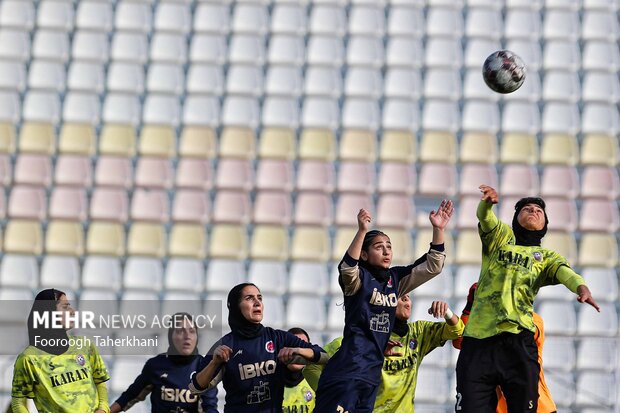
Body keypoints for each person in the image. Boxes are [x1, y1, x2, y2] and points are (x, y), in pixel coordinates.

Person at [455, 185, 600, 413]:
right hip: (477, 342)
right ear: (515, 218)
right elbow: (485, 218)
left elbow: (566, 273)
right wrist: (486, 203)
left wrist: (581, 287)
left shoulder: (547, 258)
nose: (532, 211)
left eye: (538, 211)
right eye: (526, 209)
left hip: (519, 343)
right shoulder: (500, 240)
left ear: (545, 225)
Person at [313, 200, 454, 413]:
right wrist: (362, 231)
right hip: (347, 372)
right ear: (364, 254)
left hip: (370, 377)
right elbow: (347, 269)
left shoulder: (395, 279)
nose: (387, 251)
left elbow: (433, 265)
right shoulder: (359, 280)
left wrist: (438, 229)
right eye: (379, 247)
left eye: (389, 246)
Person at [304, 294, 464, 412]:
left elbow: (457, 331)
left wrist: (447, 312)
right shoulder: (358, 339)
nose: (407, 298)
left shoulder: (418, 333)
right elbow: (311, 367)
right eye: (400, 294)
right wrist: (336, 398)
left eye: (408, 294)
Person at [188, 283, 328, 412]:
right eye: (249, 298)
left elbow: (323, 355)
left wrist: (299, 351)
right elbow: (195, 388)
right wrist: (214, 363)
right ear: (236, 306)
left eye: (259, 298)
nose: (257, 303)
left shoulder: (278, 338)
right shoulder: (225, 345)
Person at [453, 283, 557, 413]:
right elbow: (460, 342)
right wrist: (469, 308)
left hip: (539, 408)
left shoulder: (533, 319)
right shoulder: (482, 326)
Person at [11, 289, 110, 413]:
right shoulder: (28, 358)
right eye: (65, 307)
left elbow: (99, 381)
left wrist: (103, 409)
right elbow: (18, 403)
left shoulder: (85, 345)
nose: (72, 312)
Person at [109, 312, 218, 413]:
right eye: (180, 331)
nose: (187, 336)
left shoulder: (205, 367)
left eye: (192, 331)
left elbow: (210, 407)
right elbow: (130, 396)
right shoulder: (156, 365)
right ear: (171, 336)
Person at [281, 327, 316, 413]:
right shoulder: (268, 383)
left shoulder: (317, 383)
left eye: (303, 348)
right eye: (292, 347)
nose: (298, 353)